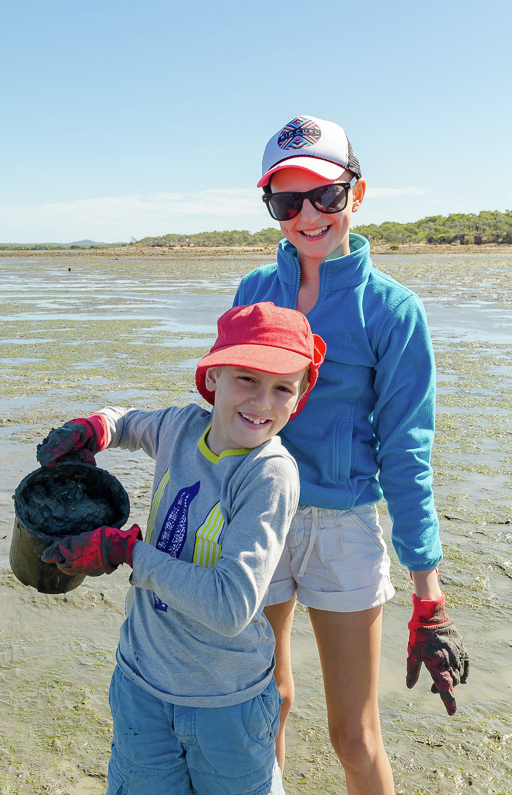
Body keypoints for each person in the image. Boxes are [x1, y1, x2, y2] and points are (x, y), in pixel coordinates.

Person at [233, 115, 469, 794]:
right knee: (261, 705)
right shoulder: (255, 291)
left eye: (326, 196)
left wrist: (428, 589)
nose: (308, 215)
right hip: (257, 515)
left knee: (354, 735)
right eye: (287, 200)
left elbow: (407, 451)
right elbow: (221, 417)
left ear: (356, 195)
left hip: (344, 528)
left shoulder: (393, 311)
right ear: (273, 209)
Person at [37, 301, 326, 795]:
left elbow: (232, 604)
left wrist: (127, 552)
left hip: (226, 704)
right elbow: (127, 421)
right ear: (213, 377)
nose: (262, 402)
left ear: (298, 399)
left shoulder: (268, 474)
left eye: (283, 388)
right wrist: (95, 429)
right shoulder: (180, 427)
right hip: (140, 686)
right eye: (246, 379)